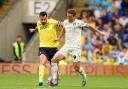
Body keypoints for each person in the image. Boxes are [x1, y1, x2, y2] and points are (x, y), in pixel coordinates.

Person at [50, 9, 105, 86]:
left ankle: (84, 75)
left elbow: (89, 26)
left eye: (70, 16)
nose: (68, 18)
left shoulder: (79, 23)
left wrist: (99, 32)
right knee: (53, 60)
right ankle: (54, 80)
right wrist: (58, 38)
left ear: (74, 16)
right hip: (66, 46)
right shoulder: (65, 22)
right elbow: (63, 29)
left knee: (76, 68)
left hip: (76, 48)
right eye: (67, 16)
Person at [29, 11, 62, 86]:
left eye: (44, 19)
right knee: (42, 62)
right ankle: (40, 80)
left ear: (47, 17)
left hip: (53, 48)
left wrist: (59, 37)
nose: (43, 21)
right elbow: (38, 27)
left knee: (54, 67)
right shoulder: (38, 23)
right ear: (39, 18)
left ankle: (55, 78)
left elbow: (64, 25)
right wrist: (34, 30)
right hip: (43, 47)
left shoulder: (52, 22)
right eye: (41, 19)